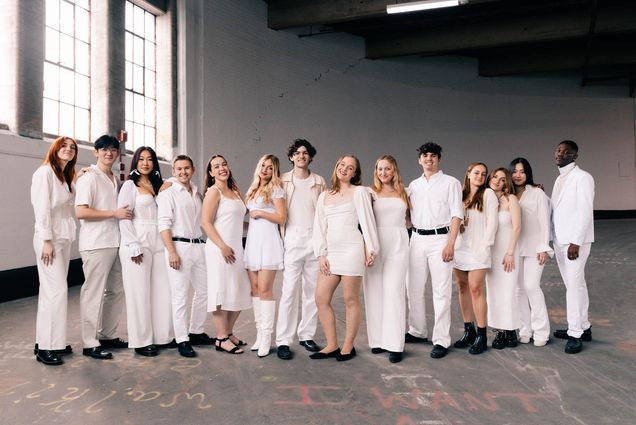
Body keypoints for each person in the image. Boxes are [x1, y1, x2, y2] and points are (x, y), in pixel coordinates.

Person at [312, 155, 379, 361]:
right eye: (342, 165)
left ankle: (348, 346)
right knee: (321, 298)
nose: (344, 169)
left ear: (354, 173)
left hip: (352, 250)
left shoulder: (359, 192)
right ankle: (332, 344)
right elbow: (319, 227)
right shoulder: (325, 195)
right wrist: (321, 254)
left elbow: (368, 222)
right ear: (336, 166)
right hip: (332, 252)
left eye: (350, 168)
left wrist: (371, 248)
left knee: (351, 299)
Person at [75, 135, 130, 360]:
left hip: (115, 242)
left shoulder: (115, 178)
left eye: (113, 149)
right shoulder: (89, 178)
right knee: (93, 293)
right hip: (96, 244)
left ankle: (107, 335)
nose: (109, 153)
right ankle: (90, 343)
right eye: (104, 149)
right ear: (95, 152)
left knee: (116, 291)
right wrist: (113, 213)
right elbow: (81, 211)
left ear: (118, 154)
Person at [406, 143, 463, 360]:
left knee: (441, 292)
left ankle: (441, 339)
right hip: (417, 239)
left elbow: (457, 215)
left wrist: (450, 243)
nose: (428, 159)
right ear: (419, 160)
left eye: (433, 156)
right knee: (414, 287)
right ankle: (417, 330)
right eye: (425, 156)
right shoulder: (414, 185)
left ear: (439, 159)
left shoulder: (451, 183)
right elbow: (408, 215)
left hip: (441, 239)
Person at [118, 147, 174, 357]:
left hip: (159, 241)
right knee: (139, 292)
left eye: (150, 159)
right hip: (138, 239)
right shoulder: (130, 186)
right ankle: (141, 341)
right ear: (135, 162)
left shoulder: (160, 185)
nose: (145, 163)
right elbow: (124, 216)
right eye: (141, 159)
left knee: (162, 290)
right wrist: (132, 244)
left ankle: (162, 336)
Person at [276, 140, 326, 360]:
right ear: (291, 157)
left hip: (314, 239)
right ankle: (283, 341)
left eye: (305, 153)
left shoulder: (319, 182)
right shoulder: (282, 181)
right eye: (297, 153)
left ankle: (306, 335)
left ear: (310, 157)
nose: (301, 156)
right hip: (292, 239)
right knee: (288, 292)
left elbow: (324, 214)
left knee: (312, 292)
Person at [157, 155, 211, 358]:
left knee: (204, 291)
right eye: (178, 169)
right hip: (178, 246)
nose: (183, 172)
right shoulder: (168, 193)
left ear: (193, 169)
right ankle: (182, 339)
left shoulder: (197, 193)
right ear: (173, 171)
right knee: (179, 295)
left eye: (186, 168)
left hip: (198, 245)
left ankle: (196, 331)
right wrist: (171, 251)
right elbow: (163, 224)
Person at [31, 136, 78, 365]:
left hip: (64, 237)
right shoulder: (45, 173)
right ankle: (47, 347)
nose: (68, 150)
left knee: (50, 291)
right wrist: (46, 240)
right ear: (55, 148)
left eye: (72, 148)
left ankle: (48, 341)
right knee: (57, 291)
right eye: (64, 146)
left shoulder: (66, 176)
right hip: (49, 239)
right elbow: (41, 210)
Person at [201, 155, 252, 355]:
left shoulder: (235, 191)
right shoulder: (214, 192)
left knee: (240, 289)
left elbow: (239, 222)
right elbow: (206, 222)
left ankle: (228, 332)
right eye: (216, 166)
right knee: (221, 291)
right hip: (218, 249)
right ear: (211, 173)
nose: (222, 168)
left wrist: (261, 225)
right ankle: (221, 338)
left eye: (224, 164)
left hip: (236, 248)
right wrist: (222, 245)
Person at [364, 155, 410, 363]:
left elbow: (411, 221)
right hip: (375, 242)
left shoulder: (405, 192)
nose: (383, 173)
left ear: (394, 170)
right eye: (380, 169)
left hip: (399, 241)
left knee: (394, 291)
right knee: (374, 291)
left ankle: (394, 344)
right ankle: (377, 341)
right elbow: (364, 222)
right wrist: (367, 248)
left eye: (387, 169)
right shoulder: (369, 193)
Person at [551, 140, 595, 354]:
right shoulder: (560, 178)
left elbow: (585, 211)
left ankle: (575, 333)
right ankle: (584, 326)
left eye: (566, 151)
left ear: (574, 156)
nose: (561, 153)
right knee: (575, 285)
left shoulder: (583, 178)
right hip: (560, 240)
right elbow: (559, 208)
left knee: (574, 287)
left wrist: (576, 241)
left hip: (574, 243)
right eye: (559, 150)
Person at [244, 154, 286, 358]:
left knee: (265, 290)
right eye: (263, 165)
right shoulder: (252, 190)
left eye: (270, 167)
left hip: (268, 243)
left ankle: (267, 338)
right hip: (253, 242)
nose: (265, 169)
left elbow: (281, 217)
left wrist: (260, 213)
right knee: (255, 289)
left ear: (274, 171)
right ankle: (260, 334)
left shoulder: (276, 189)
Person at [453, 162, 498, 355]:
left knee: (475, 288)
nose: (480, 176)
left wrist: (484, 247)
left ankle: (481, 334)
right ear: (468, 173)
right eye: (476, 172)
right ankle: (468, 330)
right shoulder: (460, 194)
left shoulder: (488, 195)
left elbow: (492, 224)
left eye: (483, 174)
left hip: (478, 249)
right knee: (462, 287)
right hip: (460, 248)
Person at [509, 157, 552, 347]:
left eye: (522, 171)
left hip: (535, 248)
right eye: (515, 171)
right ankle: (525, 330)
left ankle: (541, 331)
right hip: (515, 248)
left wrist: (544, 246)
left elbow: (545, 221)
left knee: (532, 287)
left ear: (528, 174)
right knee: (518, 291)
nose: (518, 175)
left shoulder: (537, 193)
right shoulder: (507, 195)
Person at [485, 168, 521, 349]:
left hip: (508, 252)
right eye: (495, 177)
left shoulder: (511, 199)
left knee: (508, 292)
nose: (498, 181)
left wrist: (510, 252)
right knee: (493, 293)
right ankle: (499, 331)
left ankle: (511, 330)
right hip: (490, 253)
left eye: (502, 179)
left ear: (507, 183)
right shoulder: (486, 198)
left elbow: (517, 227)